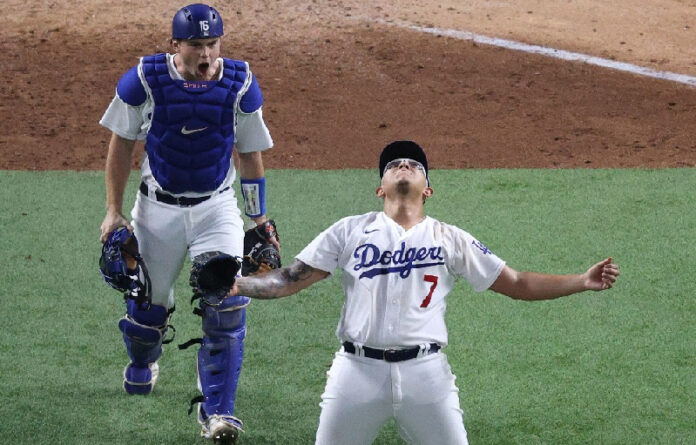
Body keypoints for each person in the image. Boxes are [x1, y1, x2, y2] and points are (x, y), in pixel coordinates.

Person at [227, 140, 620, 445]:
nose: (404, 166)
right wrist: (236, 284)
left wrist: (579, 281)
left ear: (428, 189)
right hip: (356, 373)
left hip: (426, 375)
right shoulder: (348, 230)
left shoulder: (450, 238)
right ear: (379, 188)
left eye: (415, 165)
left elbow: (516, 283)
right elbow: (289, 279)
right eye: (395, 164)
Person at [98, 4, 278, 443]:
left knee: (226, 303)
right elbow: (121, 145)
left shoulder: (240, 85)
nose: (205, 54)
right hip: (157, 208)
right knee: (146, 313)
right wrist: (113, 210)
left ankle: (218, 413)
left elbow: (250, 155)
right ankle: (144, 359)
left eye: (212, 44)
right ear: (174, 45)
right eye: (196, 45)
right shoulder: (144, 80)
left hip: (216, 207)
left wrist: (258, 218)